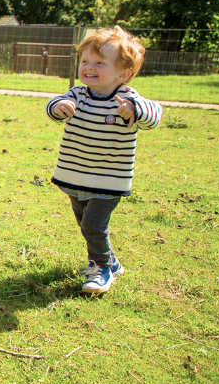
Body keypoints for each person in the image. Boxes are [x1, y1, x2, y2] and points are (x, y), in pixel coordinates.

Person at [46, 26, 162, 294]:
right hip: (75, 175)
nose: (89, 67)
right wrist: (57, 107)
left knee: (93, 224)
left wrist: (135, 110)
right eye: (85, 61)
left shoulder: (128, 99)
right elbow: (54, 104)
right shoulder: (77, 94)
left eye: (99, 63)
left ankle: (101, 268)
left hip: (109, 179)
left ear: (123, 74)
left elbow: (155, 114)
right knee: (85, 223)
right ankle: (109, 260)